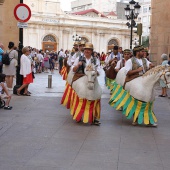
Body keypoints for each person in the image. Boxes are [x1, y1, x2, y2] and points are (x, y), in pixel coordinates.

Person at [124, 45, 155, 126]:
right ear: (137, 52)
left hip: (144, 79)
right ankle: (135, 118)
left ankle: (148, 119)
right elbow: (127, 72)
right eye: (142, 51)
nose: (144, 53)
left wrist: (151, 65)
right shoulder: (130, 61)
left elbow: (150, 64)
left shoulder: (145, 60)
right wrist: (137, 70)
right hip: (134, 79)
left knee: (149, 98)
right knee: (136, 100)